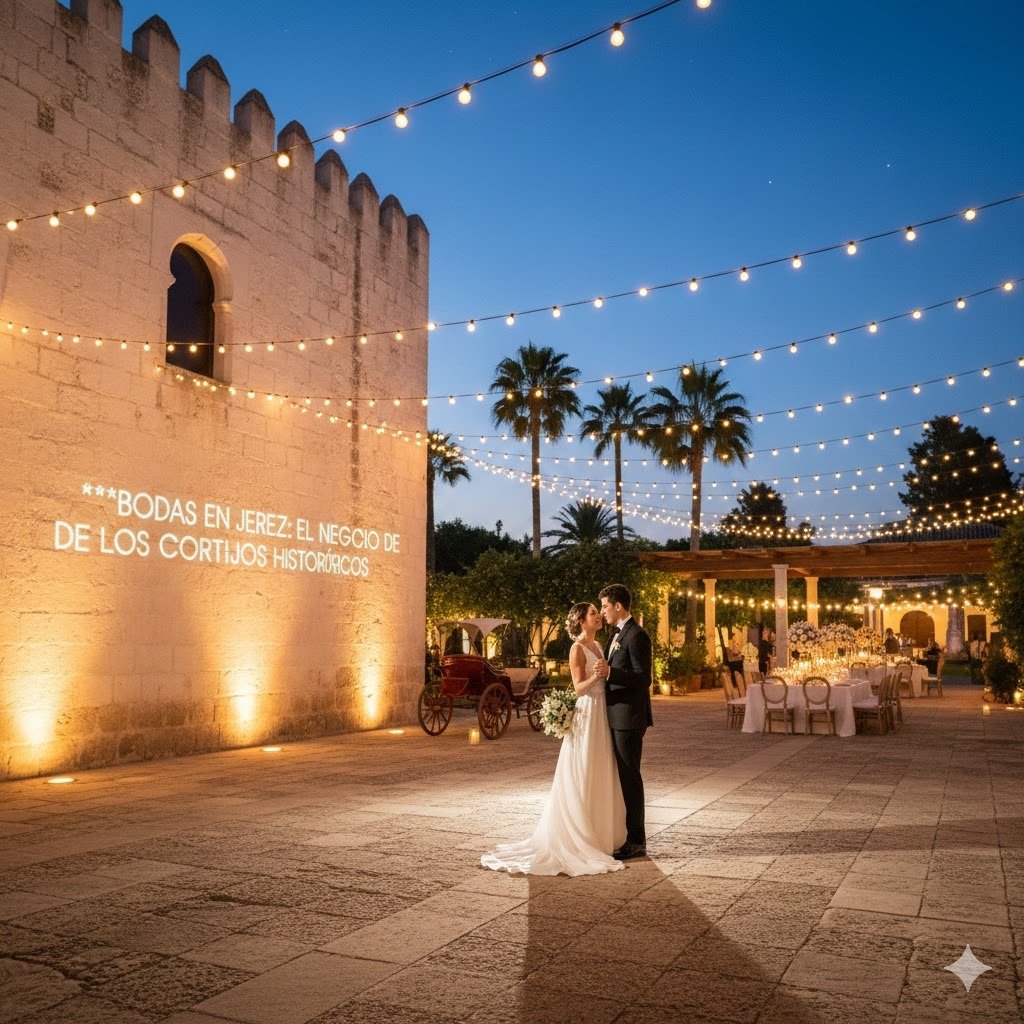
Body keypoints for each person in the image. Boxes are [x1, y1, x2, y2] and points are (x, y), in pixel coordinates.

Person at [480, 602, 626, 875]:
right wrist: (597, 676)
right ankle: (579, 836)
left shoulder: (599, 646)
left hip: (601, 715)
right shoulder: (578, 649)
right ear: (582, 621)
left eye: (597, 612)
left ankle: (599, 831)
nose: (597, 617)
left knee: (600, 769)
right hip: (587, 713)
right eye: (593, 613)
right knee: (584, 769)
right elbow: (579, 689)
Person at [595, 583, 653, 860]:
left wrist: (611, 672)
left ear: (618, 606)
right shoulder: (617, 634)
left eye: (605, 606)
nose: (603, 611)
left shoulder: (637, 635)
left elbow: (644, 679)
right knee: (622, 776)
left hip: (629, 717)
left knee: (630, 778)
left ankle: (637, 840)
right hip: (615, 713)